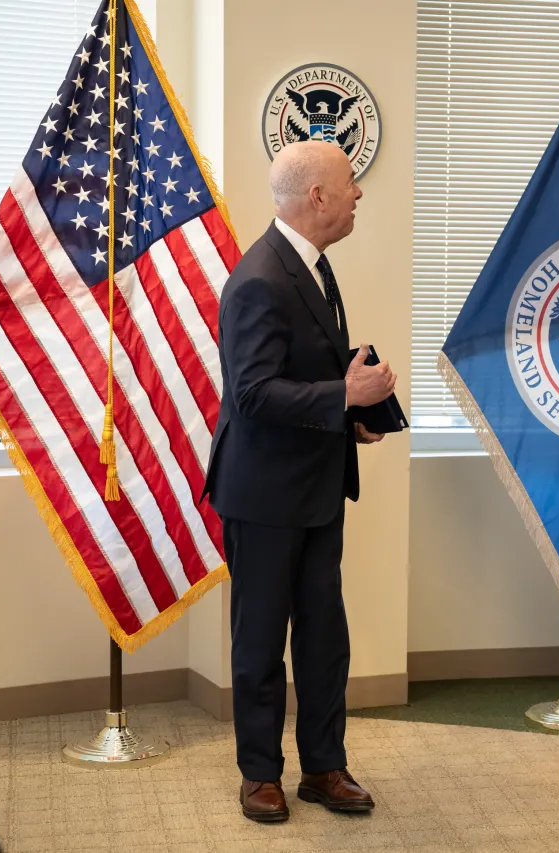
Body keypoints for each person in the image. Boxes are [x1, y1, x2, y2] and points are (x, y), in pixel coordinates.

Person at [203, 140, 396, 821]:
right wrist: (343, 396)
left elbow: (300, 369)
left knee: (323, 634)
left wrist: (355, 416)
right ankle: (260, 773)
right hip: (263, 496)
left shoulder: (312, 265)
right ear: (316, 197)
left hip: (314, 487)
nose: (359, 194)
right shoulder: (259, 276)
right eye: (351, 182)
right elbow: (252, 393)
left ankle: (322, 765)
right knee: (259, 640)